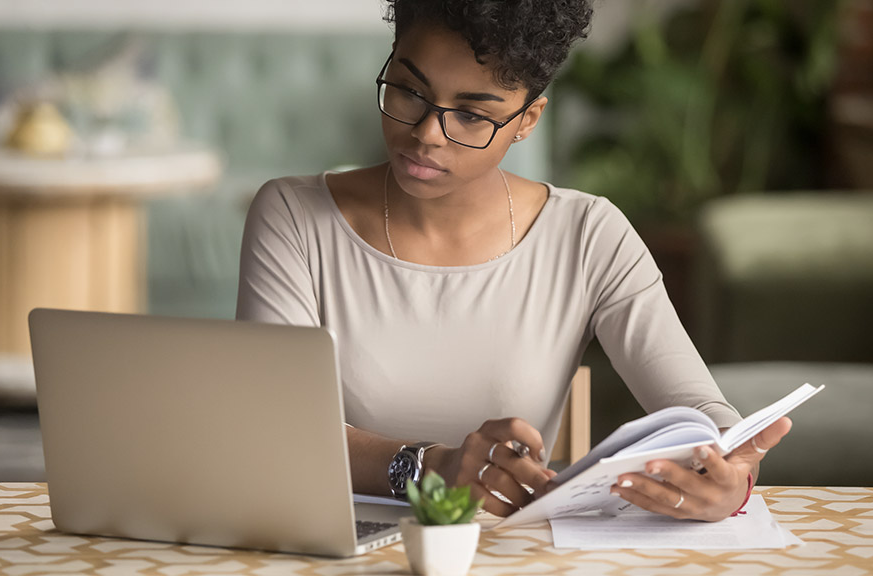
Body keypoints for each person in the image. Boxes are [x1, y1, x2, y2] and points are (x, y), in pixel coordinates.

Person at [236, 0, 792, 521]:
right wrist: (432, 468)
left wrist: (731, 480)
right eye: (408, 91)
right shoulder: (295, 216)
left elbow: (699, 409)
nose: (428, 134)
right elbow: (269, 426)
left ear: (528, 120)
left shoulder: (587, 235)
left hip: (511, 553)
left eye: (473, 116)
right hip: (335, 541)